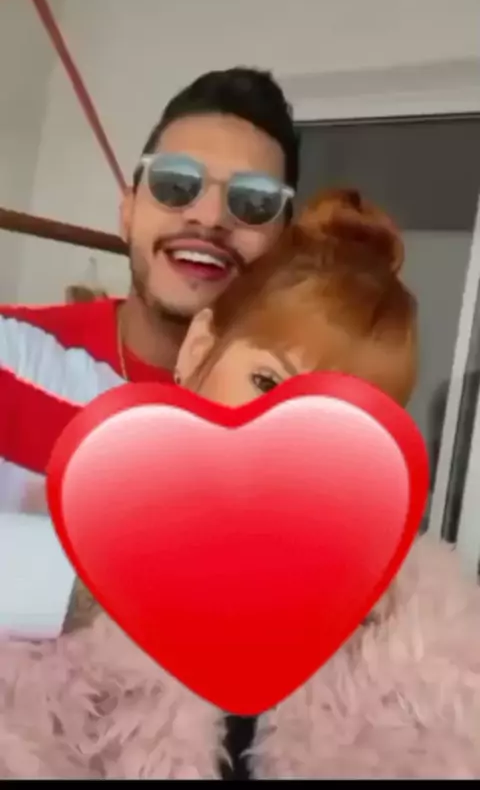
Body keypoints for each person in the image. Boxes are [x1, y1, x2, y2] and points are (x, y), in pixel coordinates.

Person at [1, 189, 479, 779]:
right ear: (200, 347)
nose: (290, 439)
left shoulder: (421, 629)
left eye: (338, 418)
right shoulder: (51, 559)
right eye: (266, 381)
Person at [0, 66, 299, 639]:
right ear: (128, 211)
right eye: (176, 184)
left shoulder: (297, 429)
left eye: (254, 201)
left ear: (282, 245)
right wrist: (109, 585)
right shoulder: (10, 356)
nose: (209, 218)